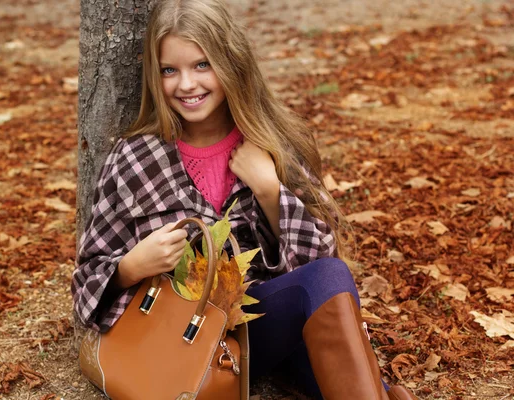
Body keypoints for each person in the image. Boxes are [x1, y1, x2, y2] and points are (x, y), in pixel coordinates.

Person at [71, 0, 418, 399]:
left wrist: (270, 191)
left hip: (260, 331)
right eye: (170, 70)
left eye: (202, 65)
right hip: (182, 340)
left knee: (329, 276)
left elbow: (322, 264)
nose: (186, 84)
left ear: (231, 62)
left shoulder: (270, 143)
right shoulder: (134, 159)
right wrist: (131, 267)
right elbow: (86, 282)